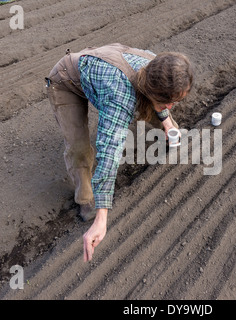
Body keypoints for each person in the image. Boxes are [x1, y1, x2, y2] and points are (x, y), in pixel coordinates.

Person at [45, 43, 194, 262]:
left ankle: (170, 133)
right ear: (151, 90)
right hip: (66, 81)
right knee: (80, 150)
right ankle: (87, 201)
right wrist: (102, 216)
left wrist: (167, 123)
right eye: (168, 100)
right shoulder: (119, 94)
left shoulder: (157, 66)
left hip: (105, 70)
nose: (171, 105)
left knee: (165, 118)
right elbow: (110, 152)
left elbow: (159, 103)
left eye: (176, 100)